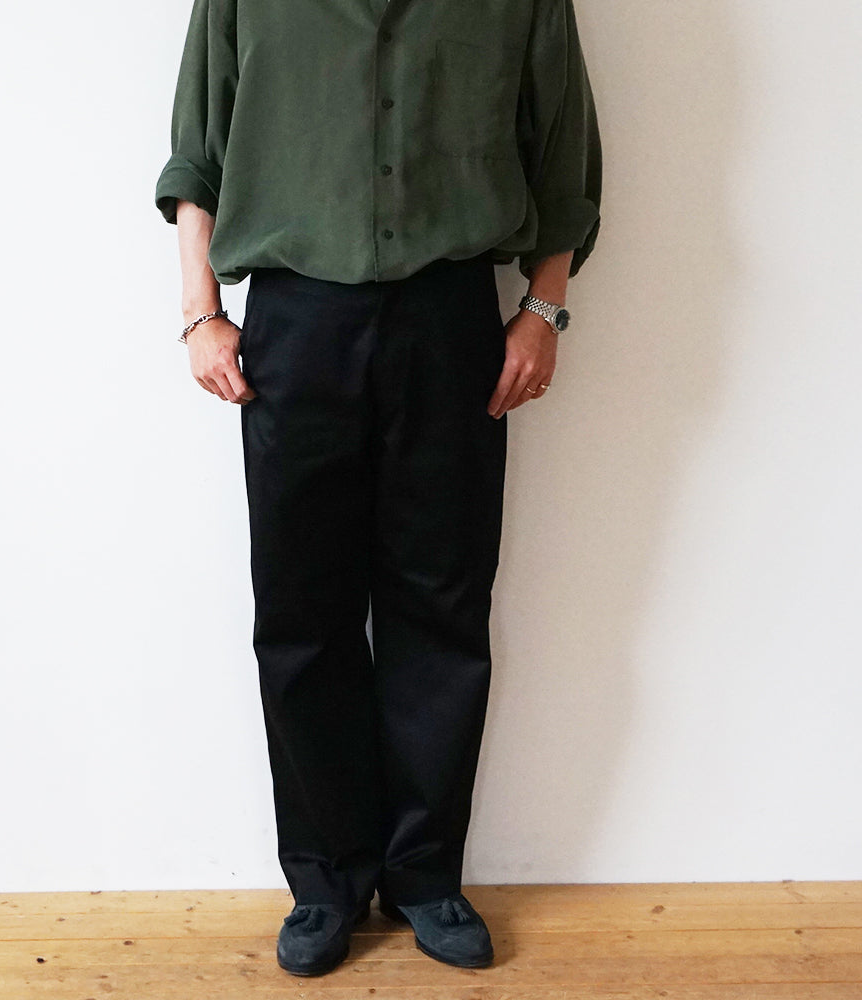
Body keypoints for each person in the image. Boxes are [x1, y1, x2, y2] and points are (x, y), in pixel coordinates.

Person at [154, 0, 601, 978]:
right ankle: (325, 881)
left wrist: (544, 307)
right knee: (301, 610)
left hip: (449, 317)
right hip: (294, 321)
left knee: (442, 602)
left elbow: (562, 152)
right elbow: (199, 147)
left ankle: (426, 875)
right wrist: (199, 312)